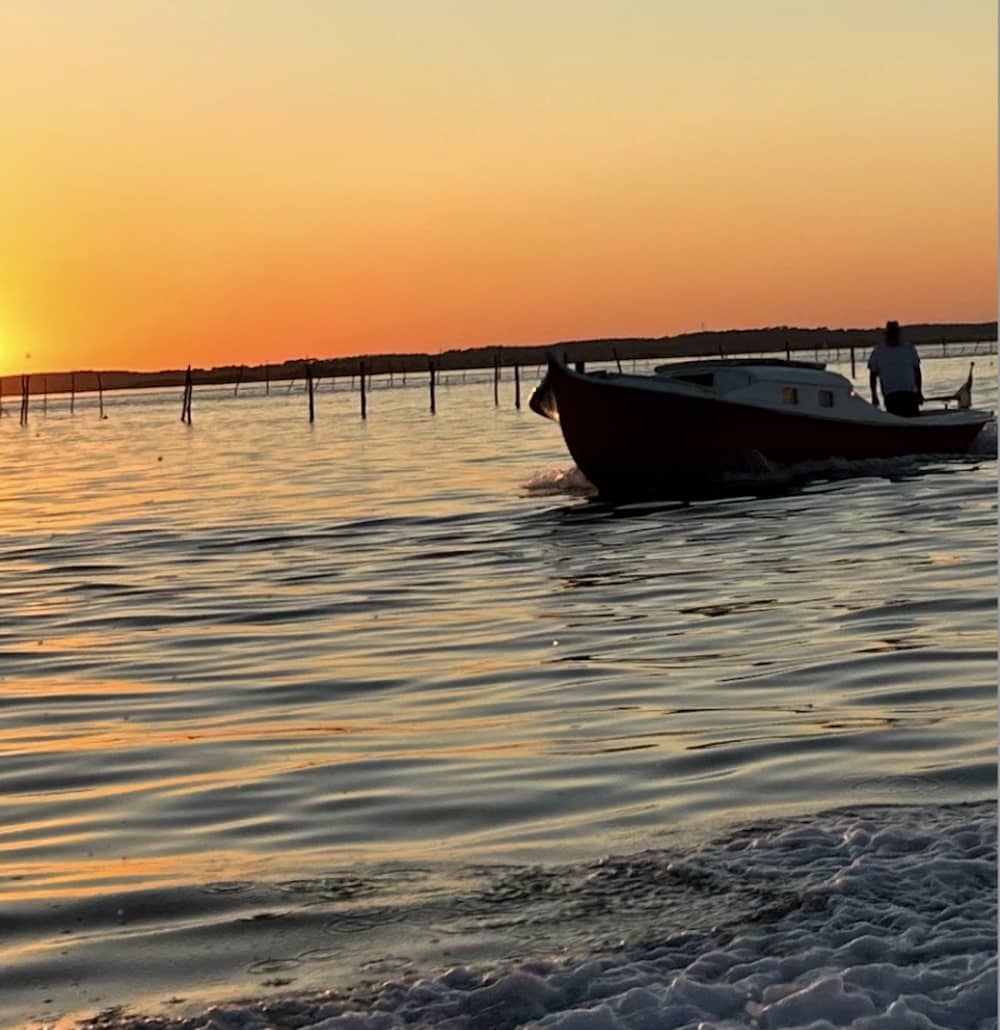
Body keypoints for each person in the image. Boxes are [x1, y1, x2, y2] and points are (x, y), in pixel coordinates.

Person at [868, 320, 923, 416]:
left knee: (913, 421)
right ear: (887, 335)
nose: (893, 336)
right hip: (891, 395)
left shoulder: (909, 349)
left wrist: (919, 392)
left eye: (895, 333)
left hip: (909, 393)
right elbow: (873, 375)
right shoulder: (879, 351)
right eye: (891, 334)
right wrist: (874, 395)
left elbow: (917, 371)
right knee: (896, 419)